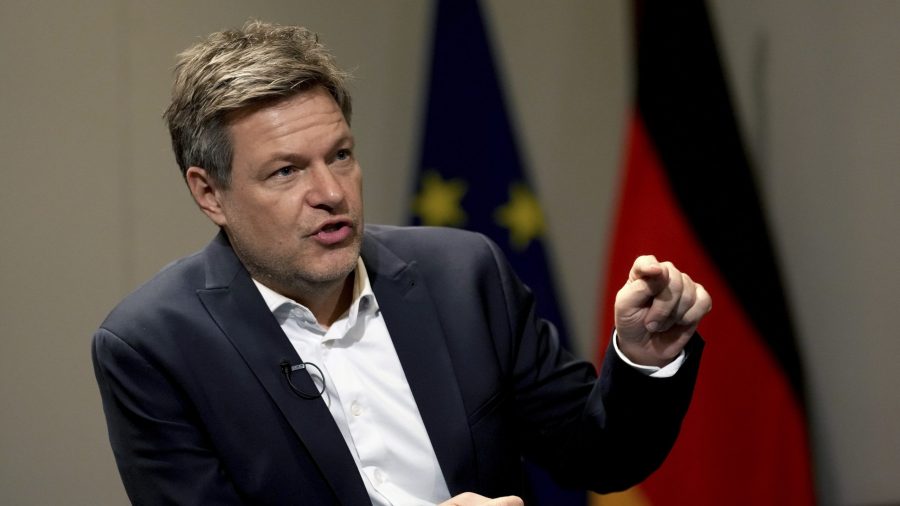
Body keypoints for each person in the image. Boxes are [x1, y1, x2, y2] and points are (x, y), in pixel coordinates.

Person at [92, 21, 711, 506]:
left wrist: (642, 359)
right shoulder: (154, 345)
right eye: (286, 171)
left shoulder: (464, 276)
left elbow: (599, 457)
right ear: (210, 194)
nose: (330, 192)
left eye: (340, 155)